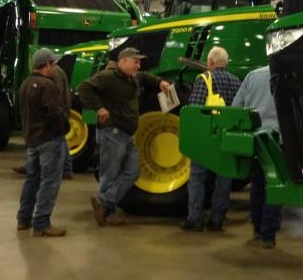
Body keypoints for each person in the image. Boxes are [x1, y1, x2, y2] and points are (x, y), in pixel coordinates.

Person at [78, 47, 170, 227]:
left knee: (133, 171)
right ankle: (108, 213)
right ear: (124, 61)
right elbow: (84, 88)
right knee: (109, 174)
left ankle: (103, 202)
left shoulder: (132, 78)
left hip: (126, 134)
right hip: (111, 132)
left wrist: (160, 83)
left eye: (139, 62)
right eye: (136, 61)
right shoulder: (108, 77)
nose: (139, 65)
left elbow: (145, 76)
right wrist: (99, 108)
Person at [181, 46, 241, 232]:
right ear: (226, 62)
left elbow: (195, 110)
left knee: (198, 178)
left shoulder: (204, 79)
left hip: (207, 137)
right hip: (227, 138)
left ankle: (195, 219)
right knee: (224, 179)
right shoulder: (236, 81)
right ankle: (217, 220)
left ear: (210, 63)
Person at [16, 48, 70, 237]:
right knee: (50, 181)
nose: (54, 67)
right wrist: (63, 129)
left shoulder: (25, 84)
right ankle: (41, 223)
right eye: (53, 64)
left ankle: (23, 219)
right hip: (49, 140)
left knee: (32, 180)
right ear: (47, 65)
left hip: (32, 140)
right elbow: (55, 112)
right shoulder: (48, 85)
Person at [231, 65, 283, 248]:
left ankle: (256, 227)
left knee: (257, 184)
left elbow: (236, 107)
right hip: (278, 139)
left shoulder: (252, 76)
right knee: (275, 186)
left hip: (255, 139)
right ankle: (268, 235)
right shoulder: (286, 73)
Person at [13, 63, 74, 179]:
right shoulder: (57, 71)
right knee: (61, 138)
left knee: (58, 137)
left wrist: (56, 109)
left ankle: (34, 167)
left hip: (57, 109)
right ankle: (67, 169)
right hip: (60, 108)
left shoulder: (54, 73)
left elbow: (57, 92)